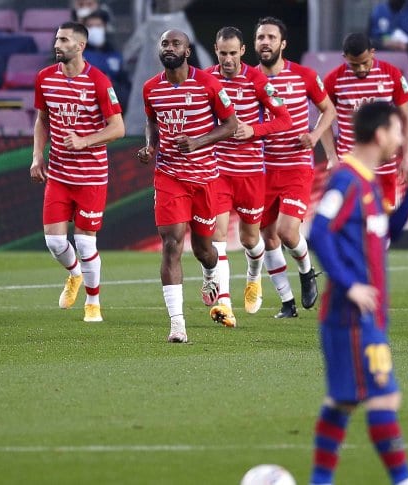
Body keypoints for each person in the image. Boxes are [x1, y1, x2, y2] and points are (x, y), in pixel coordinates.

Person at [307, 101, 408, 485]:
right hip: (352, 316)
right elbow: (318, 231)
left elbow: (386, 232)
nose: (401, 138)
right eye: (397, 130)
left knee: (342, 401)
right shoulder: (346, 180)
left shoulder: (367, 181)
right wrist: (350, 284)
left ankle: (320, 482)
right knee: (384, 397)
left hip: (363, 315)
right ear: (380, 134)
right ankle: (405, 481)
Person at [136, 29, 237, 343]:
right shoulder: (151, 88)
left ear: (187, 51)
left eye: (175, 43)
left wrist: (198, 142)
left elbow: (231, 125)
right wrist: (151, 147)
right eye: (164, 43)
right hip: (169, 177)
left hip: (205, 178)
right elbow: (152, 121)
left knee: (205, 251)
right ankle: (177, 324)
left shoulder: (209, 84)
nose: (169, 47)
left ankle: (210, 273)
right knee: (171, 244)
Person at [30, 21, 125, 323]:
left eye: (64, 40)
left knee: (85, 243)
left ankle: (93, 303)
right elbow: (42, 120)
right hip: (58, 174)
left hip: (91, 176)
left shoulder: (98, 81)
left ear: (80, 46)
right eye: (57, 39)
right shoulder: (45, 78)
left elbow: (118, 128)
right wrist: (37, 156)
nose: (57, 44)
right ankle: (75, 274)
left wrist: (85, 141)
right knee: (55, 243)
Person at [203, 26, 292, 327]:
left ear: (242, 51)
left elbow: (284, 120)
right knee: (217, 237)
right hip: (217, 171)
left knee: (250, 240)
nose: (227, 59)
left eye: (233, 53)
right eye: (222, 53)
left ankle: (254, 276)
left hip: (251, 173)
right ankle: (225, 304)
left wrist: (255, 130)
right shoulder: (207, 79)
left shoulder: (257, 80)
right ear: (215, 51)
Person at [253, 16, 336, 319]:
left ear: (283, 43)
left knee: (287, 231)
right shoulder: (250, 79)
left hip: (296, 165)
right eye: (260, 37)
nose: (265, 42)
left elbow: (329, 110)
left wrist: (314, 135)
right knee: (268, 237)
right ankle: (287, 302)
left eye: (271, 37)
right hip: (262, 169)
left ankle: (306, 270)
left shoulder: (304, 76)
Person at [320, 32, 408, 212]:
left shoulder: (391, 74)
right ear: (344, 57)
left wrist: (407, 155)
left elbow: (406, 117)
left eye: (365, 62)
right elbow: (324, 119)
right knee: (351, 218)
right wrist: (331, 156)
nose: (361, 68)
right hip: (350, 164)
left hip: (384, 165)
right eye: (354, 64)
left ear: (372, 52)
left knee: (383, 220)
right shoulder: (333, 80)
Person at [81, 10, 130, 107]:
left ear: (105, 27)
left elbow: (124, 82)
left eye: (98, 26)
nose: (94, 29)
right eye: (90, 26)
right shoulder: (78, 54)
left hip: (111, 95)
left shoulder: (114, 54)